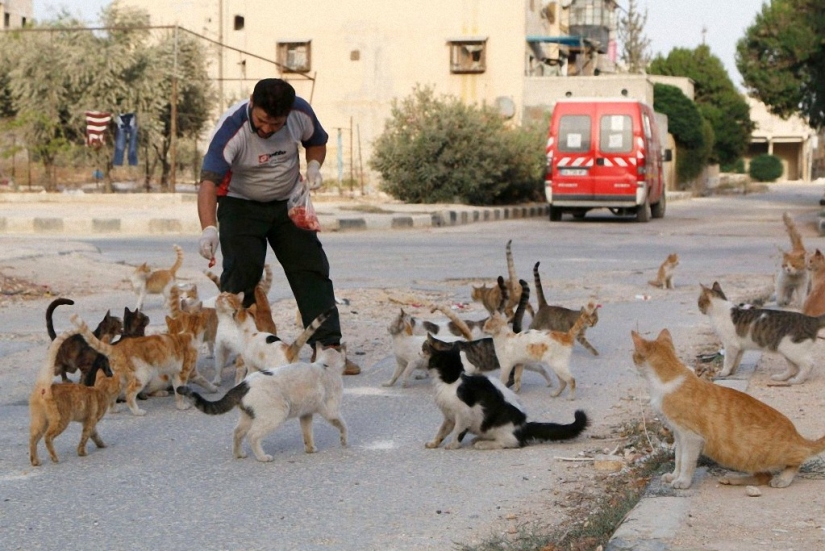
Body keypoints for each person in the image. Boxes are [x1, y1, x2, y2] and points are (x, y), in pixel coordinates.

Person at [196, 78, 360, 375]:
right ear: (251, 104)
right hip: (240, 204)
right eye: (262, 121)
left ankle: (329, 349)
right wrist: (209, 227)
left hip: (288, 202)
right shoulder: (232, 130)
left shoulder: (300, 113)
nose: (268, 129)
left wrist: (313, 166)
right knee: (242, 274)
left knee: (311, 269)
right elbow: (208, 182)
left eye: (276, 124)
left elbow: (316, 142)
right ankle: (242, 352)